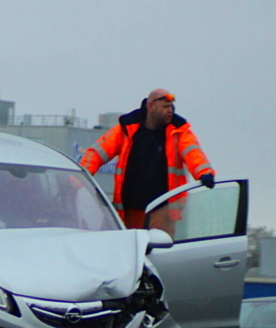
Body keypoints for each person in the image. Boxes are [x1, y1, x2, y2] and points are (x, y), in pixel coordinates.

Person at [80, 88, 214, 229]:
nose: (170, 111)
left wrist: (204, 172)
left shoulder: (178, 131)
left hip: (163, 208)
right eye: (165, 107)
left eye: (171, 107)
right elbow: (97, 152)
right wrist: (77, 178)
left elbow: (193, 152)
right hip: (130, 208)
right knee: (128, 245)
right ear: (151, 106)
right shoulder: (128, 127)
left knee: (158, 247)